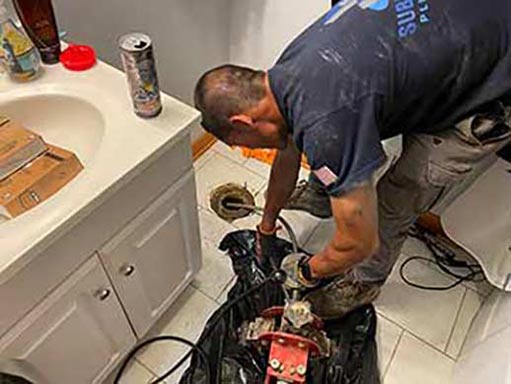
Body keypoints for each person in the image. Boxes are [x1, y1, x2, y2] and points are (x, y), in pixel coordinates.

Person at [194, 0, 511, 319]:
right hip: (453, 38)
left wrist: (306, 271)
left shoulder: (325, 121)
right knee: (327, 142)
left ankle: (364, 283)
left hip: (490, 82)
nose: (242, 148)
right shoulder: (283, 79)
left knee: (397, 196)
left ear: (242, 123)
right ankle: (322, 197)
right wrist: (266, 225)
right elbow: (288, 149)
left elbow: (358, 241)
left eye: (238, 143)